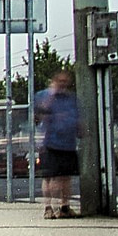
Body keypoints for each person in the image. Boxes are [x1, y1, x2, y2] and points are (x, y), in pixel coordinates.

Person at [34, 71, 81, 218]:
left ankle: (64, 208)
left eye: (65, 81)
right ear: (54, 81)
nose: (63, 84)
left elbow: (77, 118)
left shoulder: (71, 99)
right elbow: (38, 116)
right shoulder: (44, 95)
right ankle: (48, 208)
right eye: (60, 81)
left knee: (66, 177)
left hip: (68, 143)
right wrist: (52, 95)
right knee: (50, 177)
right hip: (49, 142)